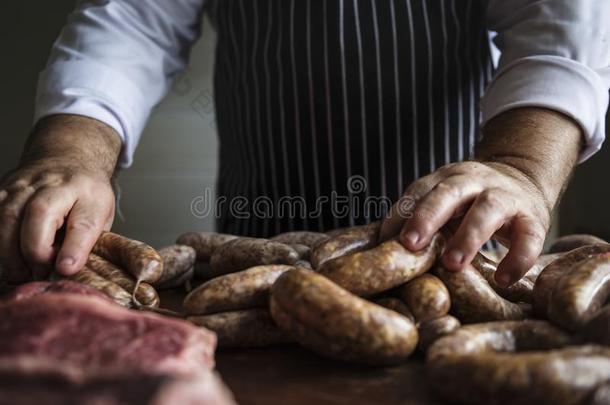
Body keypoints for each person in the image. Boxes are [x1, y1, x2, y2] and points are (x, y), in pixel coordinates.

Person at [1, 0, 609, 287]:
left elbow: (556, 27)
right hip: (255, 246)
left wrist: (519, 167)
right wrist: (70, 153)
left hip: (463, 252)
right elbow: (131, 19)